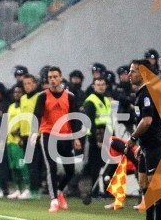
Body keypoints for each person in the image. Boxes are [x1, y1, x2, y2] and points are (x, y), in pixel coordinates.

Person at [125, 61, 161, 220]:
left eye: (133, 71)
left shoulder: (147, 93)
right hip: (146, 145)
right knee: (143, 183)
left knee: (155, 185)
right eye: (129, 71)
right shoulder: (141, 94)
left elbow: (147, 121)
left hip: (155, 145)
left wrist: (133, 138)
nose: (129, 75)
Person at [33, 67, 82, 212]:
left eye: (55, 77)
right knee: (52, 167)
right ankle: (53, 199)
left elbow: (74, 118)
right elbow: (37, 115)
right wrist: (34, 132)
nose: (52, 80)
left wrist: (76, 137)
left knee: (70, 170)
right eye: (50, 77)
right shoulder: (43, 96)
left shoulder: (69, 96)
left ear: (61, 78)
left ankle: (59, 191)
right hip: (49, 134)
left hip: (65, 135)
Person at [81, 77, 112, 199]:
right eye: (98, 84)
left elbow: (110, 118)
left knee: (107, 166)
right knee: (95, 165)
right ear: (94, 86)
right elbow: (90, 122)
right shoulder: (91, 101)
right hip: (96, 136)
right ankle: (94, 192)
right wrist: (96, 140)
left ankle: (106, 190)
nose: (100, 86)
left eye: (102, 84)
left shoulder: (106, 100)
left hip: (107, 135)